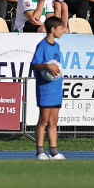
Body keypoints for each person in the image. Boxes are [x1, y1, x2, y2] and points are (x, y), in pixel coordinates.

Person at [31, 16, 66, 160]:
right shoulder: (42, 45)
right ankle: (40, 151)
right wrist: (46, 66)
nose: (63, 31)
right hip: (45, 88)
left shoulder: (57, 46)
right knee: (43, 119)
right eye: (61, 28)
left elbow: (58, 66)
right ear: (53, 29)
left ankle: (53, 152)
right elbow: (34, 64)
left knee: (54, 120)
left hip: (56, 88)